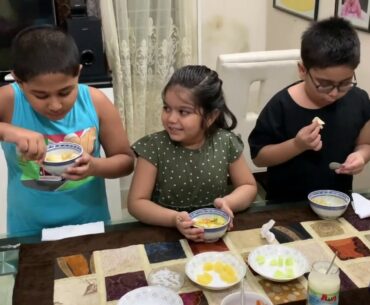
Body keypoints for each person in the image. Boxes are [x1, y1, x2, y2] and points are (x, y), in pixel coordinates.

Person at [0, 25, 134, 236]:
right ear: (18, 81)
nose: (55, 105)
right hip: (28, 228)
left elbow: (126, 161)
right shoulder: (8, 101)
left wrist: (95, 167)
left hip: (90, 222)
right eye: (41, 96)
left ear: (78, 73)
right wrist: (8, 131)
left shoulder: (95, 102)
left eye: (65, 92)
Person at [127, 65, 257, 242]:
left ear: (210, 117)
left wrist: (228, 202)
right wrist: (174, 219)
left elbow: (248, 187)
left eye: (183, 112)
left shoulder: (225, 142)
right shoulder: (154, 147)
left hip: (215, 232)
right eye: (167, 108)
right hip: (166, 234)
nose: (171, 119)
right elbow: (136, 203)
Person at [248, 17, 370, 202]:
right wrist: (297, 145)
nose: (334, 93)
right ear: (303, 70)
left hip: (337, 202)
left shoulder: (359, 100)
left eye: (345, 83)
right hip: (287, 204)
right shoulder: (282, 105)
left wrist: (361, 157)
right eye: (324, 84)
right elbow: (259, 157)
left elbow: (365, 144)